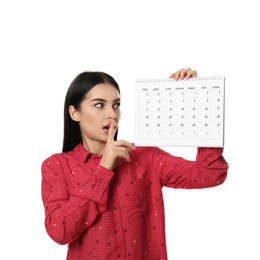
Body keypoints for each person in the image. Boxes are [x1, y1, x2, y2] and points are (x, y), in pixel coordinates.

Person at [41, 68, 228, 260]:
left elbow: (212, 172)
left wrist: (201, 96)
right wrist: (103, 170)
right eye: (99, 105)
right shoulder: (57, 165)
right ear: (75, 113)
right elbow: (60, 232)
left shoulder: (144, 157)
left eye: (116, 105)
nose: (111, 114)